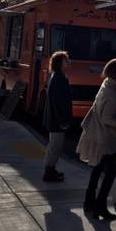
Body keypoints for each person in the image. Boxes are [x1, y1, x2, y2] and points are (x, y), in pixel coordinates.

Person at [76, 58, 116, 220]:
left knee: (97, 169)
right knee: (112, 169)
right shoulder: (112, 94)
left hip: (99, 136)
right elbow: (108, 119)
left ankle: (89, 202)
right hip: (106, 139)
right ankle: (100, 205)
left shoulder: (108, 85)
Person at [42, 50, 73, 182]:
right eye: (66, 60)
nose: (68, 62)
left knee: (54, 145)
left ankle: (51, 169)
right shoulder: (59, 78)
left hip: (55, 119)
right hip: (57, 120)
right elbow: (58, 101)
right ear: (60, 63)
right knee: (55, 146)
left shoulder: (57, 76)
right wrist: (62, 120)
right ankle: (49, 171)